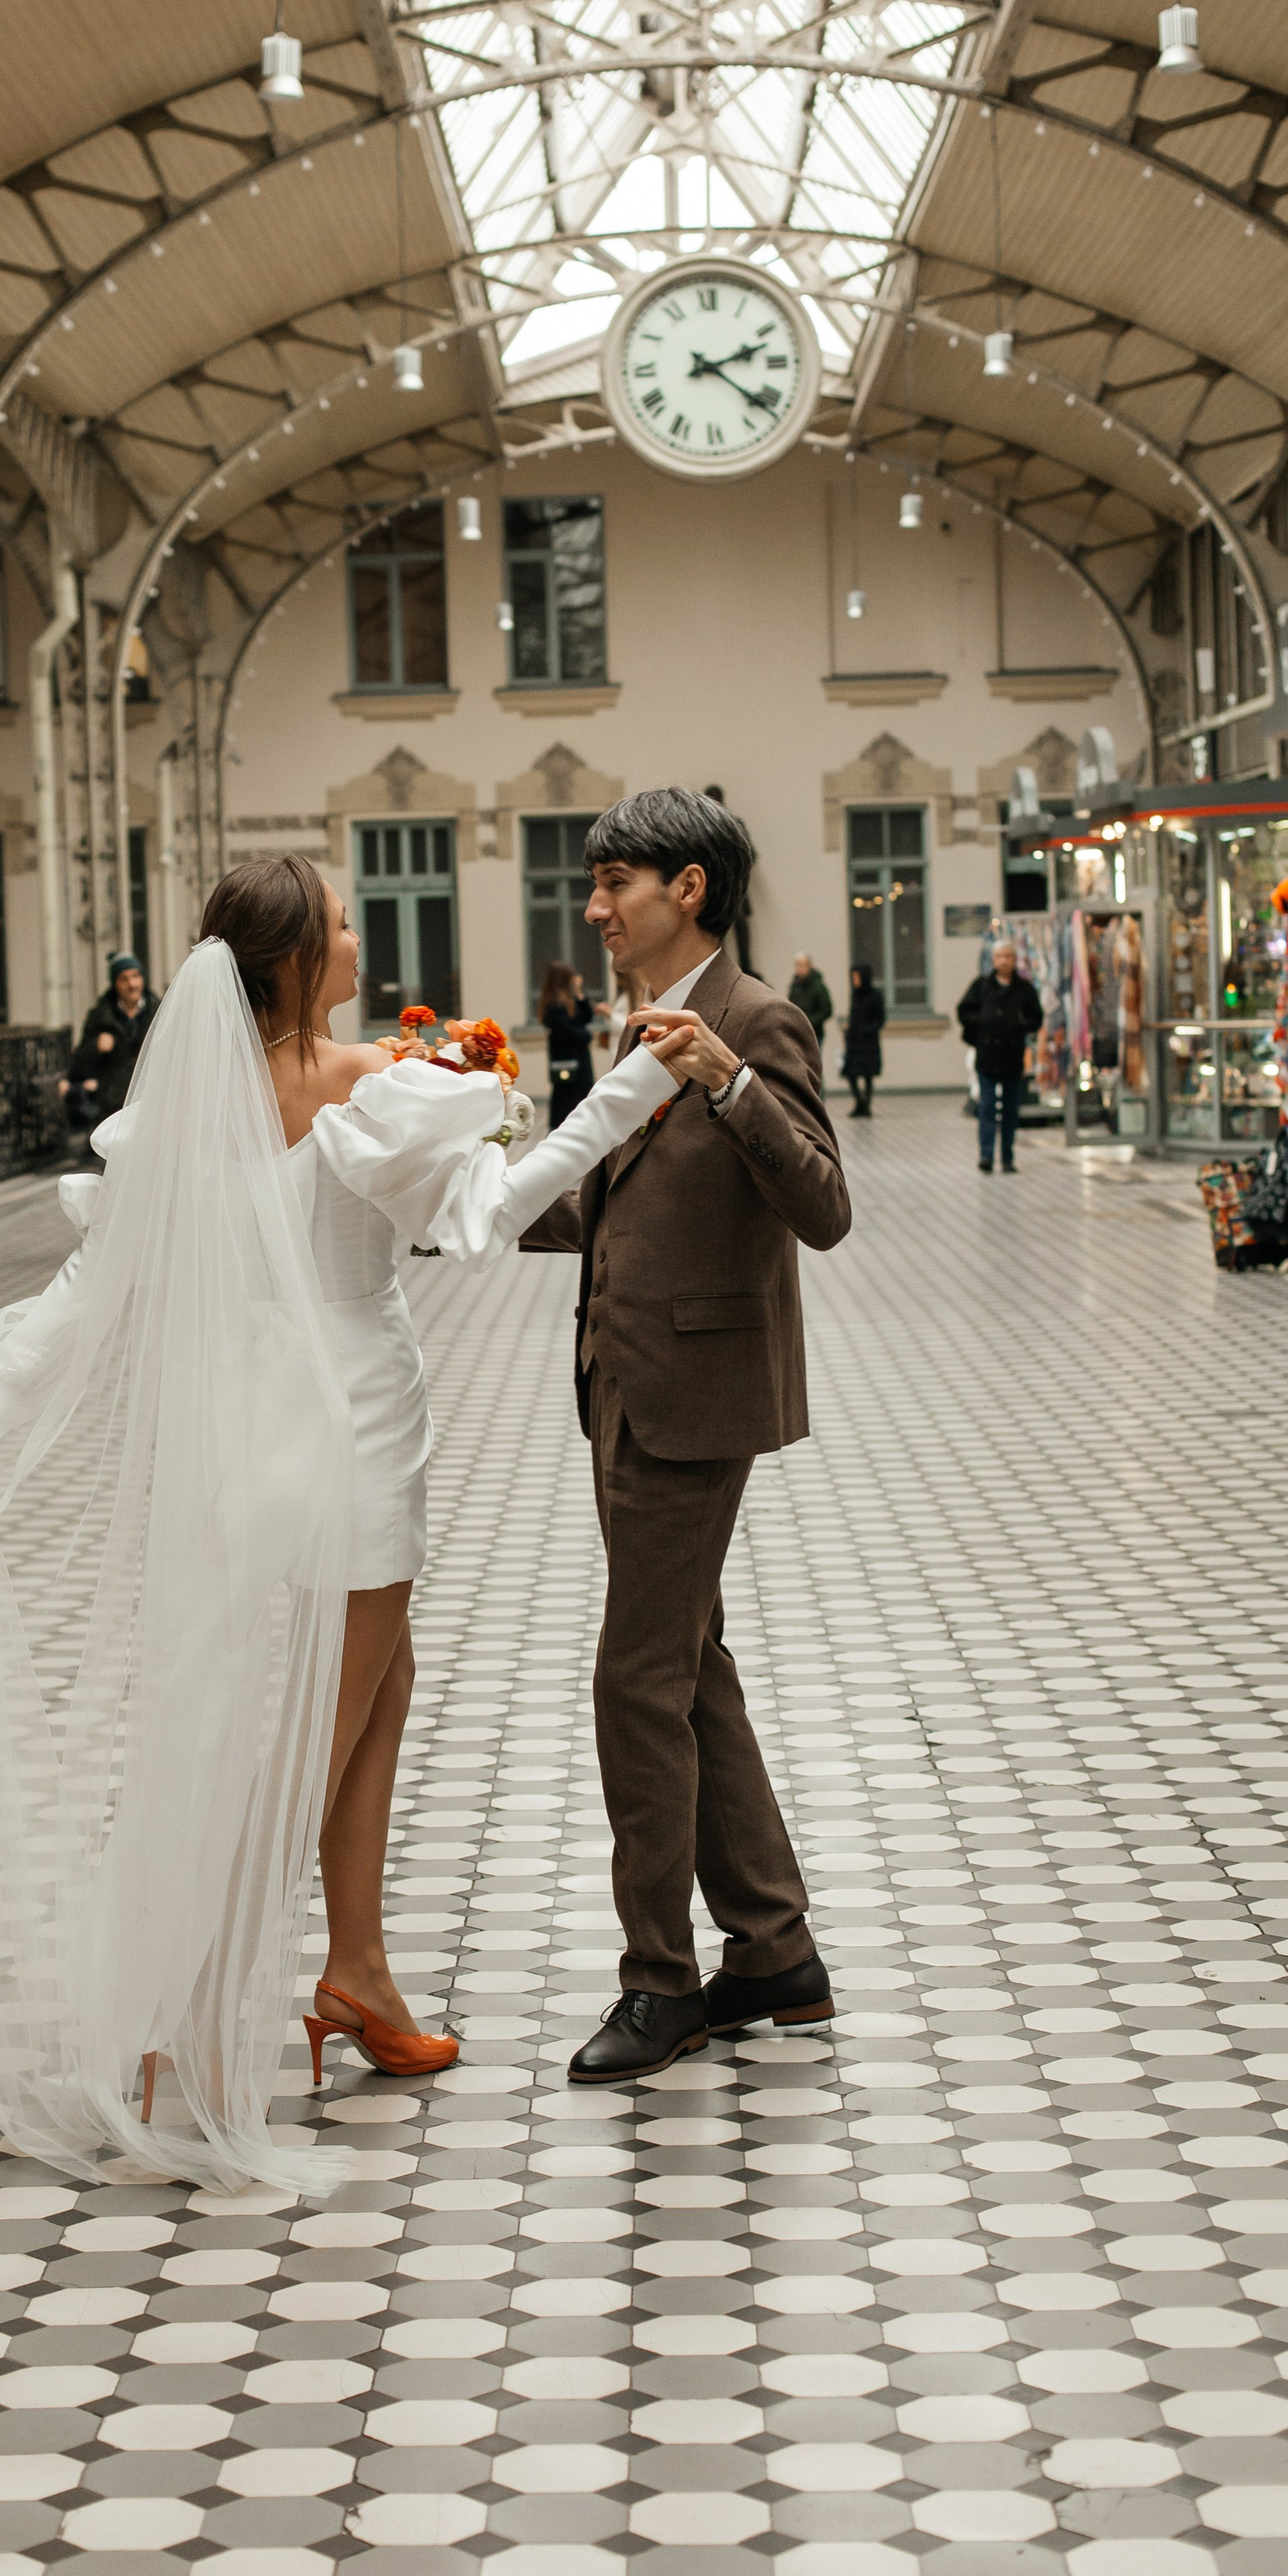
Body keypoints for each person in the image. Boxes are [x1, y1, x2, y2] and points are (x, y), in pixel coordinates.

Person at [0, 860, 693, 2193]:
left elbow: (102, 1278)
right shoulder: (368, 1086)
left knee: (383, 1686)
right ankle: (182, 2022)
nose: (355, 933)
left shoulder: (191, 1113)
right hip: (354, 1431)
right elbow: (490, 1213)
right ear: (289, 962)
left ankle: (358, 1974)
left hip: (238, 1436)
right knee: (312, 1739)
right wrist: (638, 1087)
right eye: (336, 921)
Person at [522, 788, 851, 2087]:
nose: (595, 908)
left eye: (615, 884)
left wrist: (726, 1086)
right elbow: (611, 1201)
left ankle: (660, 1984)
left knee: (635, 1679)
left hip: (696, 1394)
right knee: (689, 1662)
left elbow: (821, 1206)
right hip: (622, 1378)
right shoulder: (636, 1024)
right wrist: (452, 1205)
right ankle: (774, 1949)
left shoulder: (753, 1021)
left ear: (690, 890)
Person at [958, 936, 1043, 1175]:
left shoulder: (1024, 989)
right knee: (986, 1108)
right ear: (993, 960)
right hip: (987, 1056)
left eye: (1008, 956)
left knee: (1009, 1110)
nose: (1003, 961)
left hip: (1012, 1056)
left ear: (1015, 960)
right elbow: (964, 1011)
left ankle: (1007, 1157)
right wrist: (982, 1025)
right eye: (999, 956)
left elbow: (1036, 1018)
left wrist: (1019, 1024)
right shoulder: (982, 986)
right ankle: (986, 1156)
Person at [62, 951, 156, 1136]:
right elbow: (80, 1061)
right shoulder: (101, 1016)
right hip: (114, 1105)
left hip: (150, 1100)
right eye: (124, 978)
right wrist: (97, 1046)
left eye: (136, 976)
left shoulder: (158, 1011)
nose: (132, 984)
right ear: (115, 983)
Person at [541, 961, 597, 1129]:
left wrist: (580, 994)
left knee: (576, 1096)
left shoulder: (568, 1000)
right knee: (566, 1097)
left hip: (576, 1059)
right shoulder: (555, 1004)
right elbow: (567, 1031)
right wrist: (586, 1036)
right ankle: (564, 1129)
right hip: (568, 1060)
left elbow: (586, 1018)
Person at [842, 963, 885, 1118]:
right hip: (854, 1041)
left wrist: (867, 1030)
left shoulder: (875, 995)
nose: (855, 980)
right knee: (851, 1073)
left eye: (857, 977)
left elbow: (880, 1019)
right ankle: (859, 1102)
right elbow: (853, 1015)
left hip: (868, 1041)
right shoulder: (855, 995)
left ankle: (866, 1105)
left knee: (867, 1075)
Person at [787, 954, 833, 1044]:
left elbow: (827, 1010)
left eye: (803, 965)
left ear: (810, 966)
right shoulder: (794, 986)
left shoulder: (818, 986)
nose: (800, 968)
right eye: (798, 965)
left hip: (815, 1032)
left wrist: (810, 1021)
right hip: (797, 1031)